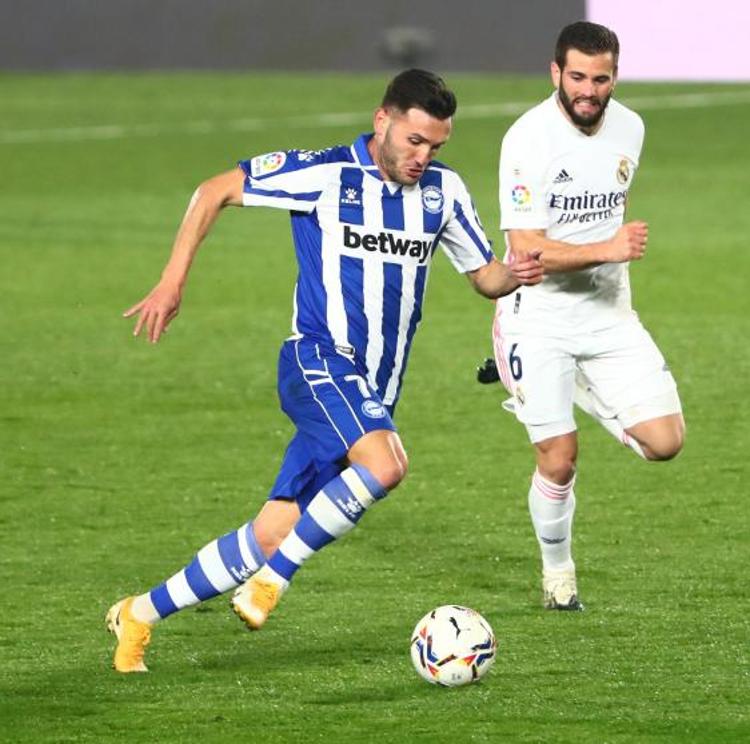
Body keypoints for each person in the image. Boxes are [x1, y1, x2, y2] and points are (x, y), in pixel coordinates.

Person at [107, 69, 544, 672]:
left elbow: (483, 277)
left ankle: (139, 615)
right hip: (317, 361)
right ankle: (271, 584)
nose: (424, 157)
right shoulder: (325, 174)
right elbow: (213, 190)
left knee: (269, 533)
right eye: (414, 141)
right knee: (387, 465)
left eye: (436, 146)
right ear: (382, 120)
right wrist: (172, 281)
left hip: (372, 393)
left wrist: (517, 273)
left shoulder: (445, 193)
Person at [490, 22, 685, 611]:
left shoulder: (632, 126)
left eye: (600, 79)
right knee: (560, 454)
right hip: (538, 316)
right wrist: (609, 249)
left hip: (607, 315)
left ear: (614, 77)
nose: (588, 90)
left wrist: (609, 260)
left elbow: (610, 203)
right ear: (556, 73)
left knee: (664, 442)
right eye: (577, 77)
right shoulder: (527, 140)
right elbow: (526, 249)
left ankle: (557, 382)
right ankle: (558, 575)